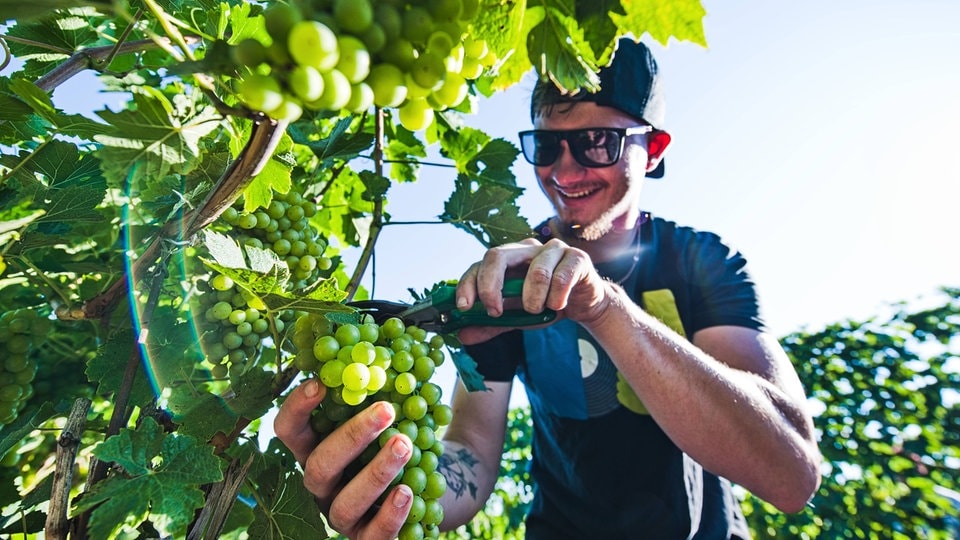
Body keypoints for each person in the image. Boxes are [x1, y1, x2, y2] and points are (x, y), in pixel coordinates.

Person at [275, 37, 822, 539]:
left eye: (597, 143)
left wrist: (603, 308)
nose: (565, 170)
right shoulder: (504, 283)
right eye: (546, 145)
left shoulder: (700, 262)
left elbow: (792, 475)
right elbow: (469, 455)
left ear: (653, 149)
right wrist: (388, 479)